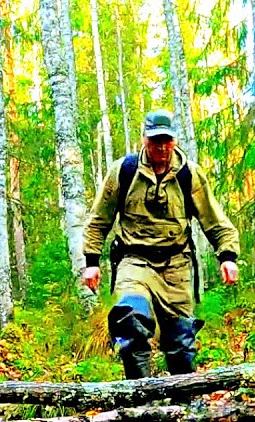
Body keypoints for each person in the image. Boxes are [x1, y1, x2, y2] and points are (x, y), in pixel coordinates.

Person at [81, 109, 240, 379]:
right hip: (134, 261)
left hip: (176, 265)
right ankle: (142, 394)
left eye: (167, 140)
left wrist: (227, 256)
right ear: (144, 139)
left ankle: (183, 401)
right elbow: (99, 218)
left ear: (174, 140)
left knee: (181, 344)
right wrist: (91, 261)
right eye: (155, 141)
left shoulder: (189, 174)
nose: (161, 147)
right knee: (129, 318)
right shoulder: (124, 171)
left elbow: (213, 218)